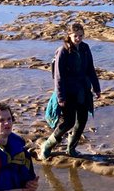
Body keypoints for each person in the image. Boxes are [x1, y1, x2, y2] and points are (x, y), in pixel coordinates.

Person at [38, 22, 101, 160]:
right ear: (69, 35)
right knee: (68, 122)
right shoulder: (63, 51)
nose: (78, 38)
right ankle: (47, 146)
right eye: (75, 36)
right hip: (68, 92)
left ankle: (71, 148)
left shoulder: (85, 48)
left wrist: (97, 88)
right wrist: (61, 97)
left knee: (82, 120)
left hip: (83, 90)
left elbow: (90, 68)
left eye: (80, 35)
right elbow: (58, 76)